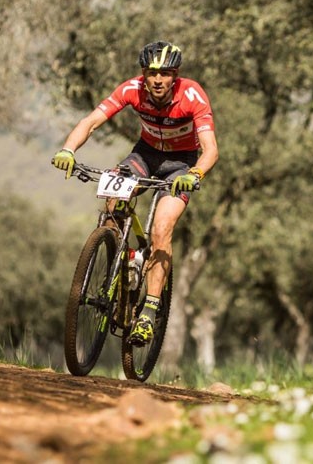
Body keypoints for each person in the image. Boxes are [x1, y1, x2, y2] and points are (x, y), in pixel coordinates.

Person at [52, 41, 219, 345]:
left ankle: (148, 314)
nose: (157, 80)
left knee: (162, 228)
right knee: (113, 196)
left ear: (175, 75)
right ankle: (123, 263)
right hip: (145, 155)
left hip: (181, 165)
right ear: (143, 73)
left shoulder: (192, 95)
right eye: (151, 72)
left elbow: (210, 150)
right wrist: (68, 149)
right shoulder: (132, 89)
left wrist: (195, 174)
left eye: (165, 73)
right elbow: (91, 122)